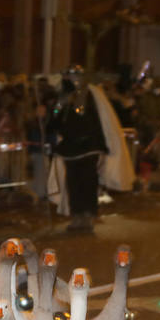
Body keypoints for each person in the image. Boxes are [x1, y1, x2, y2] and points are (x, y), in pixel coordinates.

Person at [49, 65, 108, 232]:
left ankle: (88, 215)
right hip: (70, 147)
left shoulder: (90, 95)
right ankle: (76, 215)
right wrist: (52, 110)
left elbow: (88, 116)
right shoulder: (63, 98)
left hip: (88, 146)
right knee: (73, 184)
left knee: (88, 182)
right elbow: (54, 120)